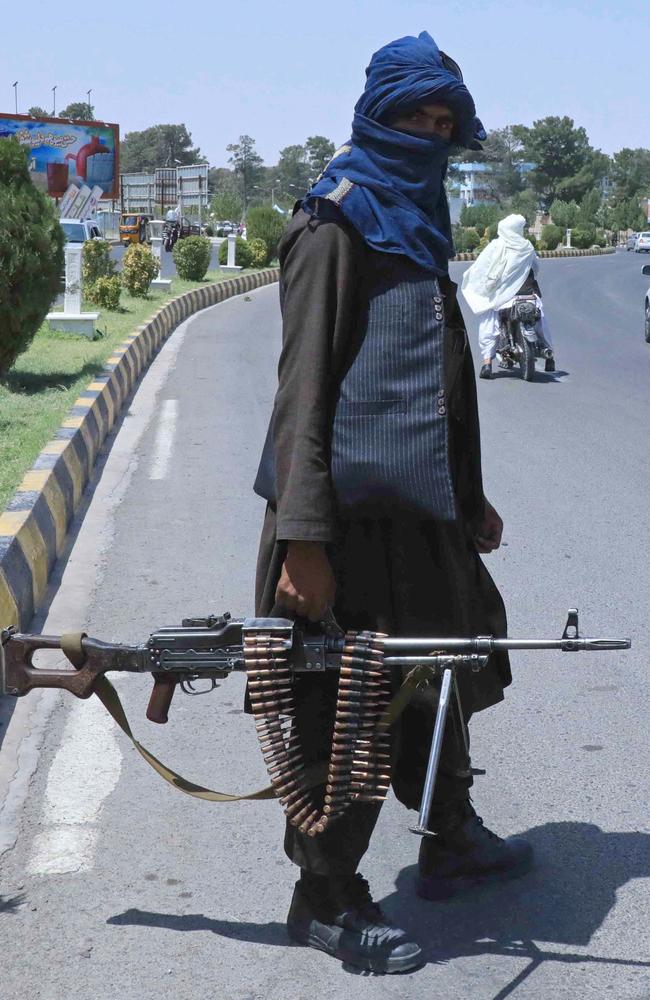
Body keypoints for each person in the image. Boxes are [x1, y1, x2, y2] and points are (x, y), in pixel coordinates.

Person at [253, 32, 533, 974]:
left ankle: (449, 836)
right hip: (341, 528)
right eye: (413, 114)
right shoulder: (334, 222)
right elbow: (304, 395)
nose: (428, 131)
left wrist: (470, 499)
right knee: (349, 707)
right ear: (376, 114)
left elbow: (434, 378)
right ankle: (325, 896)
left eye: (442, 119)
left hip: (422, 516)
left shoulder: (418, 214)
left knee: (447, 670)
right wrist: (303, 542)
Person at [461, 214, 555, 379]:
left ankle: (487, 363)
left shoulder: (496, 246)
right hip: (528, 294)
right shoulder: (527, 246)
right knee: (541, 319)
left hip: (503, 298)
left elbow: (481, 268)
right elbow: (536, 268)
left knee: (489, 321)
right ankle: (550, 356)